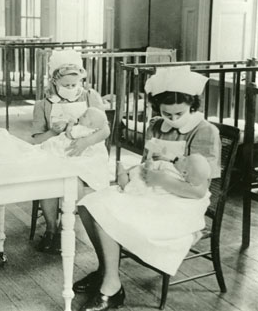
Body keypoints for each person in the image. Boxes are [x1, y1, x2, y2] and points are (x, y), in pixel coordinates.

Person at [73, 66, 221, 311]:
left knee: (107, 212)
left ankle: (112, 286)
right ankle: (106, 270)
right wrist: (131, 177)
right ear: (157, 109)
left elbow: (197, 190)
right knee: (89, 204)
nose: (172, 119)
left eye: (179, 113)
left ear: (193, 105)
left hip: (181, 203)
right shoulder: (155, 125)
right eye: (167, 113)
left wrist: (158, 180)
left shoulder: (204, 131)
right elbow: (147, 165)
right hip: (151, 191)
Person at [31, 49, 110, 254]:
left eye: (74, 85)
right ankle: (52, 229)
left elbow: (105, 129)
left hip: (87, 151)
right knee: (46, 177)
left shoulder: (90, 97)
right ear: (54, 82)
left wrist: (85, 142)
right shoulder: (42, 105)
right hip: (56, 151)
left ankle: (71, 227)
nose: (71, 89)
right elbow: (36, 140)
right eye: (65, 85)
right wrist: (51, 132)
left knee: (74, 180)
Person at [40, 107, 110, 192]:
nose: (81, 116)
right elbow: (37, 139)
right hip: (80, 153)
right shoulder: (93, 129)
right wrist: (54, 130)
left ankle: (72, 203)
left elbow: (105, 129)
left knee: (71, 177)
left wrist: (71, 125)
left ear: (90, 123)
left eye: (84, 116)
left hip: (83, 154)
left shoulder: (82, 128)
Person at [117, 153, 211, 194]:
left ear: (184, 172)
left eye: (185, 159)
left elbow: (152, 176)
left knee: (128, 183)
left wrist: (149, 165)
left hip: (145, 184)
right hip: (149, 180)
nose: (181, 157)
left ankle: (122, 175)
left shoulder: (172, 173)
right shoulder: (178, 173)